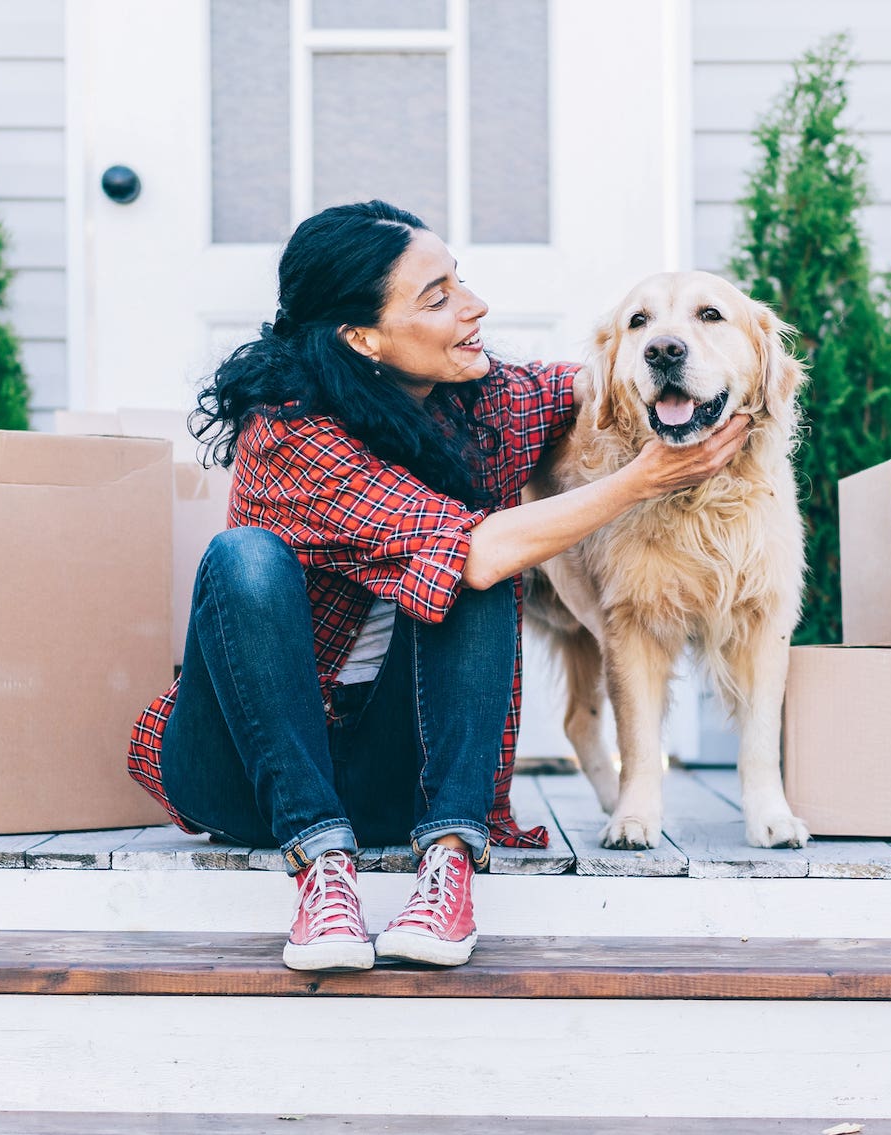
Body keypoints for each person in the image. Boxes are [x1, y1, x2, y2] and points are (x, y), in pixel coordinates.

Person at [125, 200, 750, 972]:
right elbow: (471, 551)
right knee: (246, 558)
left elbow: (593, 384)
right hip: (245, 774)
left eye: (463, 282)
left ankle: (449, 865)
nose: (474, 307)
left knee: (478, 554)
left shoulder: (477, 400)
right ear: (364, 338)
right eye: (438, 296)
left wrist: (700, 367)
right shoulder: (288, 433)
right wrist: (643, 480)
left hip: (394, 774)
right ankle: (322, 872)